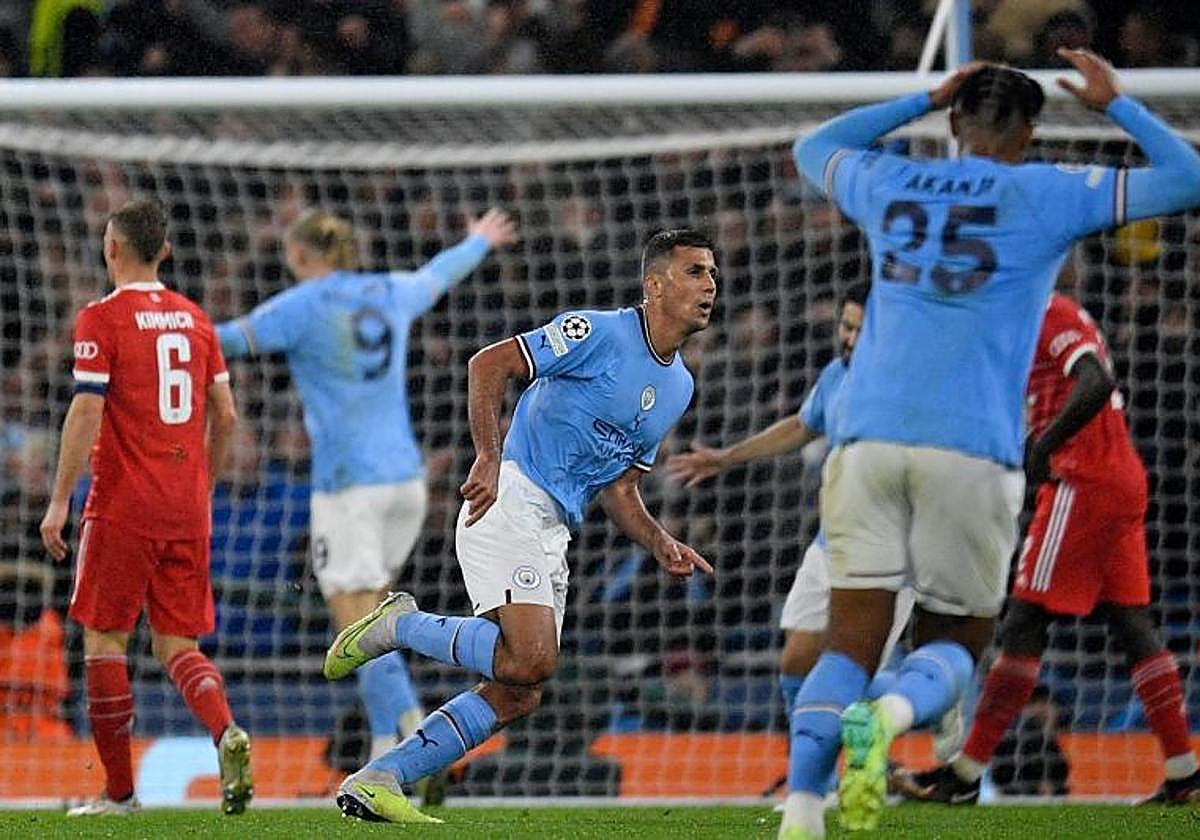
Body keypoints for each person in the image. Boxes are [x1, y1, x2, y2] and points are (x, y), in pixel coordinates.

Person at [783, 50, 1200, 839]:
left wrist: (916, 95)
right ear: (1031, 132)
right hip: (973, 450)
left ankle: (802, 814)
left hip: (865, 441)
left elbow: (812, 147)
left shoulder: (890, 180)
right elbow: (1188, 177)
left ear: (953, 122)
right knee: (955, 645)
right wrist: (1118, 104)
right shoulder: (1045, 190)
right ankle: (894, 711)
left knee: (846, 645)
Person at [322, 229, 718, 823]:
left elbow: (620, 485)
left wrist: (660, 541)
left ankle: (380, 778)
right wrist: (488, 452)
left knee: (519, 689)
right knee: (532, 659)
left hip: (553, 527)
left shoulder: (678, 387)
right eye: (694, 272)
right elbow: (490, 363)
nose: (709, 286)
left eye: (712, 273)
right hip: (510, 497)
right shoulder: (599, 332)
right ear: (654, 284)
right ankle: (400, 625)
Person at [216, 208, 517, 773]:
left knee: (357, 622)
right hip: (406, 484)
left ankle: (407, 745)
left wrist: (159, 328)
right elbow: (438, 274)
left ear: (302, 255)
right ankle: (391, 741)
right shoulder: (389, 291)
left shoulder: (303, 304)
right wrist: (478, 240)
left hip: (350, 488)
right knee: (373, 613)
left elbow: (228, 341)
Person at [894, 293, 1200, 805]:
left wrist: (1043, 447)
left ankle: (965, 776)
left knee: (1025, 621)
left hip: (1084, 479)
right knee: (1132, 625)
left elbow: (1096, 381)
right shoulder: (1027, 320)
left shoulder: (1046, 311)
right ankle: (1184, 771)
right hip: (1115, 477)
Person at [39, 199, 252, 816]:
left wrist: (58, 500)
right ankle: (225, 730)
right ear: (164, 251)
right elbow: (227, 415)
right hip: (186, 508)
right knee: (177, 644)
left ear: (112, 249)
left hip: (123, 506)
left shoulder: (101, 319)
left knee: (105, 641)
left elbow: (86, 409)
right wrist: (203, 487)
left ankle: (120, 795)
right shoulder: (196, 319)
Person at [666, 283, 936, 748]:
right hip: (832, 539)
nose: (848, 338)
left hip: (891, 546)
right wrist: (727, 457)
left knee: (855, 667)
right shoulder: (837, 375)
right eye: (845, 327)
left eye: (860, 330)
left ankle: (927, 702)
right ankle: (818, 774)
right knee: (795, 662)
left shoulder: (914, 388)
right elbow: (801, 425)